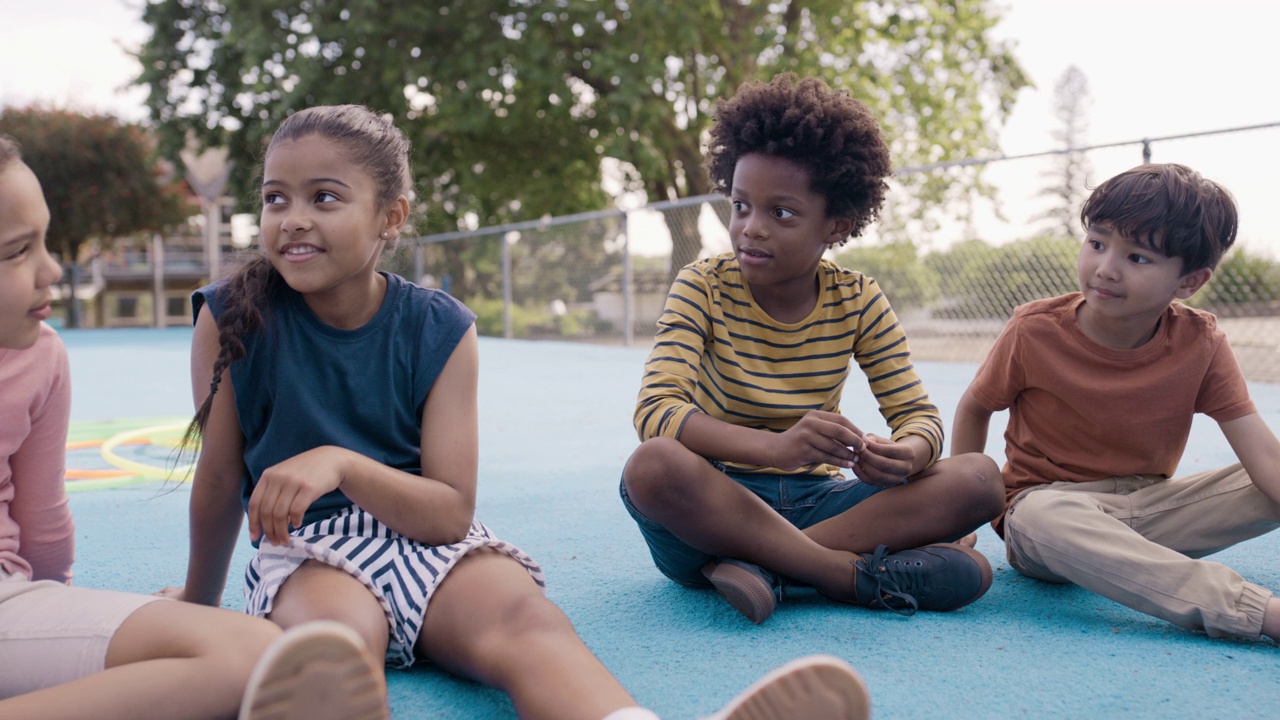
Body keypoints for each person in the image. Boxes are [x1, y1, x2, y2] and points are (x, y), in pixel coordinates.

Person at [165, 103, 875, 720]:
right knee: (333, 649)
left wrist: (343, 465)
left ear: (392, 216)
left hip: (428, 538)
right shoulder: (233, 317)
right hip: (313, 550)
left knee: (527, 623)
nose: (292, 220)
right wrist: (199, 605)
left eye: (324, 198)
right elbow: (222, 480)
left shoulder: (441, 328)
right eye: (274, 199)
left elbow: (446, 512)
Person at [0, 135, 387, 720]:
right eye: (16, 251)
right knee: (257, 658)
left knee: (267, 657)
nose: (53, 268)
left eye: (45, 242)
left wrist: (56, 618)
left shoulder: (39, 356)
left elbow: (42, 523)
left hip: (12, 604)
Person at [619, 74, 1006, 625]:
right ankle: (844, 575)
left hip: (817, 501)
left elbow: (919, 419)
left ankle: (769, 570)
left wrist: (907, 455)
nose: (751, 229)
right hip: (711, 507)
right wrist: (777, 450)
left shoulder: (859, 299)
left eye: (781, 213)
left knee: (980, 479)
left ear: (836, 224)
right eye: (741, 206)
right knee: (653, 466)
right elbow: (657, 413)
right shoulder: (701, 285)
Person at [950, 163, 1280, 642]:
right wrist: (957, 513)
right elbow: (975, 407)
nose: (1105, 268)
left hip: (1148, 510)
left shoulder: (1201, 343)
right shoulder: (1033, 331)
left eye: (1138, 257)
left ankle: (1131, 563)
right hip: (1046, 519)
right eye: (1097, 243)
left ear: (1189, 282)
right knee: (1045, 516)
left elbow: (1264, 461)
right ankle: (1257, 614)